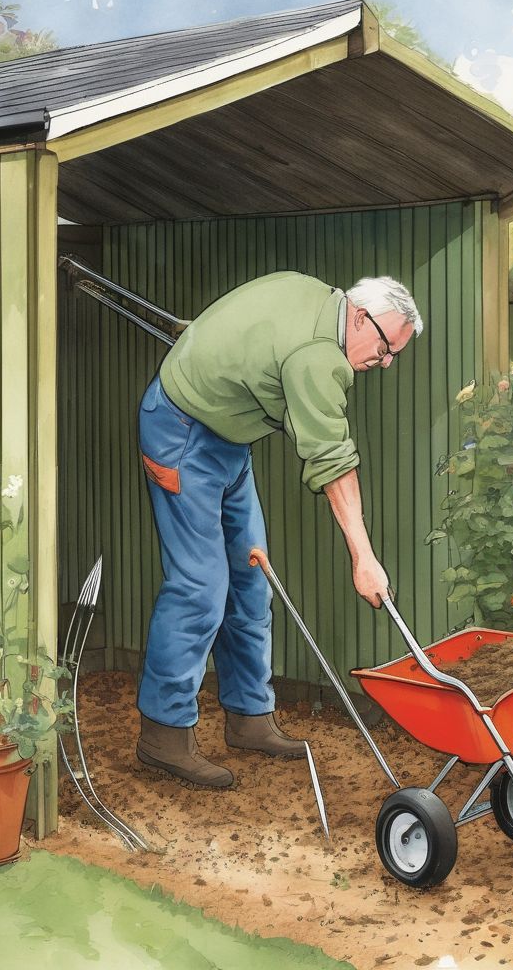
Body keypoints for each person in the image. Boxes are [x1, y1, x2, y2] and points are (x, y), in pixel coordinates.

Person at [136, 270, 422, 787]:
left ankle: (249, 718)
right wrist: (364, 557)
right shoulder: (317, 356)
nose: (385, 363)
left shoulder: (318, 297)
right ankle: (164, 735)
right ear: (359, 316)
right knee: (201, 588)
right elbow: (333, 461)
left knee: (250, 582)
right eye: (384, 349)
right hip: (180, 431)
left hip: (228, 441)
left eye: (394, 355)